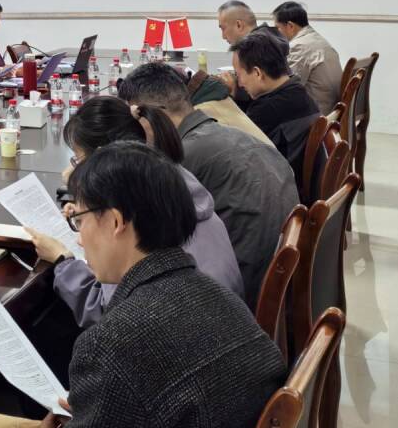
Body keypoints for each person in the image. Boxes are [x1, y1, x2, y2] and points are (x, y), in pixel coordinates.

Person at [0, 143, 286, 428]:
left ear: (115, 222)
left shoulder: (112, 342)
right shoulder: (222, 298)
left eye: (79, 220)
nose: (79, 238)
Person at [26, 97, 244, 327]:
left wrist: (63, 261)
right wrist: (88, 212)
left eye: (78, 159)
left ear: (104, 156)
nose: (75, 168)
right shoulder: (169, 178)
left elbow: (106, 310)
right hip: (221, 319)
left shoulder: (141, 216)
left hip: (186, 327)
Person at [118, 63, 299, 304]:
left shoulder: (182, 159)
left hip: (237, 298)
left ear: (147, 116)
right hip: (281, 286)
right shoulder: (233, 136)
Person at [231, 30, 320, 185]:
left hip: (279, 187)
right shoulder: (297, 90)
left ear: (257, 73)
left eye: (238, 75)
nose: (239, 84)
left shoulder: (266, 110)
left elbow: (235, 149)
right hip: (297, 178)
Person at [272, 1, 343, 116]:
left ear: (290, 26)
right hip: (331, 111)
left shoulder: (299, 46)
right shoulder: (316, 39)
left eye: (277, 28)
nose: (276, 33)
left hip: (318, 116)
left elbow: (286, 88)